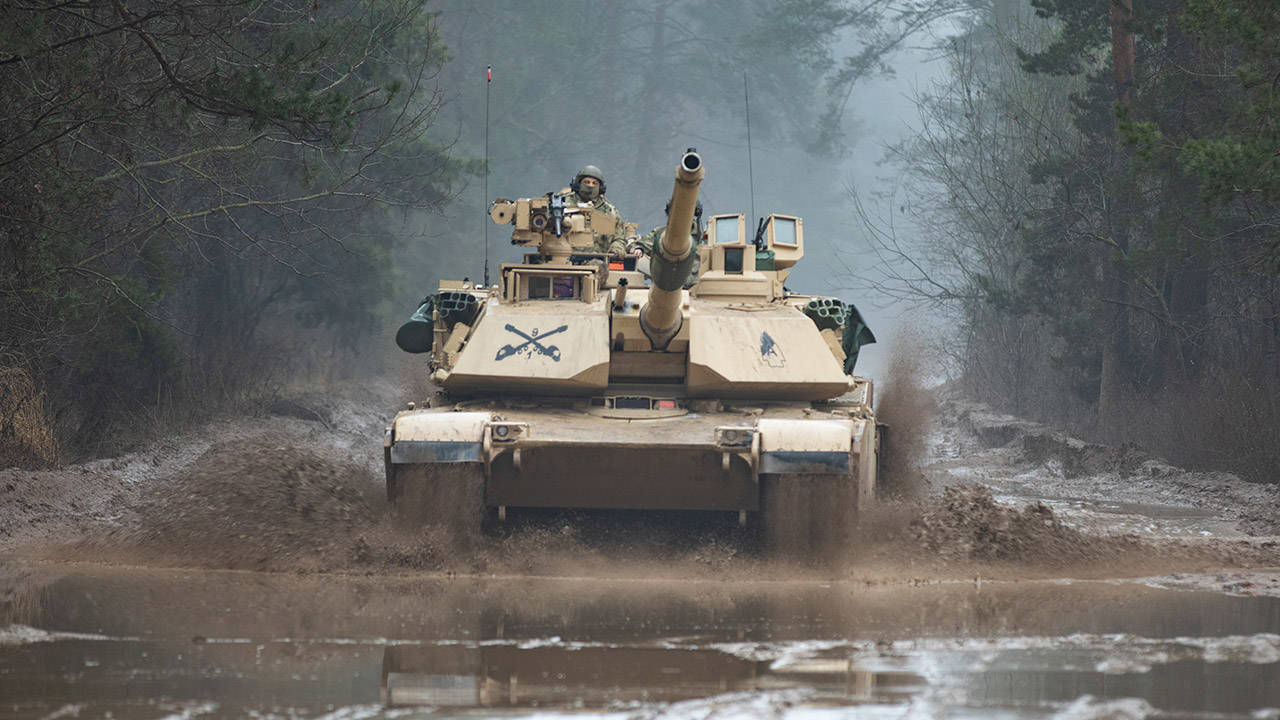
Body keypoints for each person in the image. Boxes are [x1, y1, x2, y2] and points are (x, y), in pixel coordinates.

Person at [564, 165, 628, 256]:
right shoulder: (563, 204)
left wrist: (616, 248)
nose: (590, 186)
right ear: (578, 184)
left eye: (594, 183)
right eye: (587, 182)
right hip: (565, 259)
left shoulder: (608, 211)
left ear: (600, 188)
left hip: (599, 262)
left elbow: (619, 237)